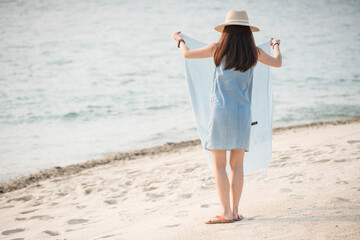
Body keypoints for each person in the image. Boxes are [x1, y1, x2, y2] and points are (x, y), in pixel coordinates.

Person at [173, 10, 282, 224]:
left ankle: (225, 213)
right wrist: (276, 45)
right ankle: (235, 210)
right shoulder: (254, 52)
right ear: (247, 31)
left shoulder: (218, 49)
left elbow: (187, 54)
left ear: (226, 30)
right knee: (237, 166)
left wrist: (180, 41)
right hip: (242, 114)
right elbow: (277, 63)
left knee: (219, 166)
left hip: (220, 113)